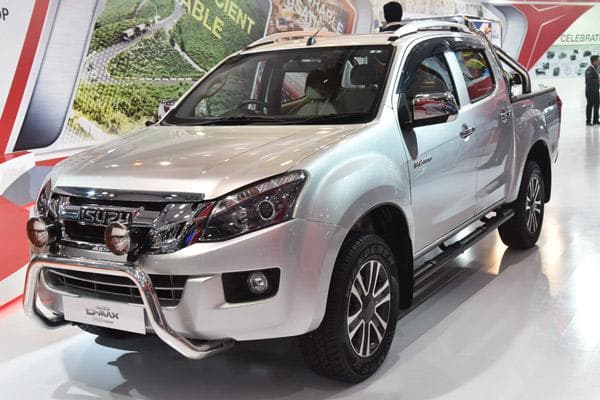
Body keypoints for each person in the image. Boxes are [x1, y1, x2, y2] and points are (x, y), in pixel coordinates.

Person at [585, 55, 600, 126]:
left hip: (596, 91)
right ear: (594, 62)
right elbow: (588, 81)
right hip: (590, 91)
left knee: (597, 105)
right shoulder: (589, 70)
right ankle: (588, 121)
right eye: (598, 60)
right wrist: (597, 80)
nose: (599, 62)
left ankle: (595, 120)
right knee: (590, 105)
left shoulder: (595, 69)